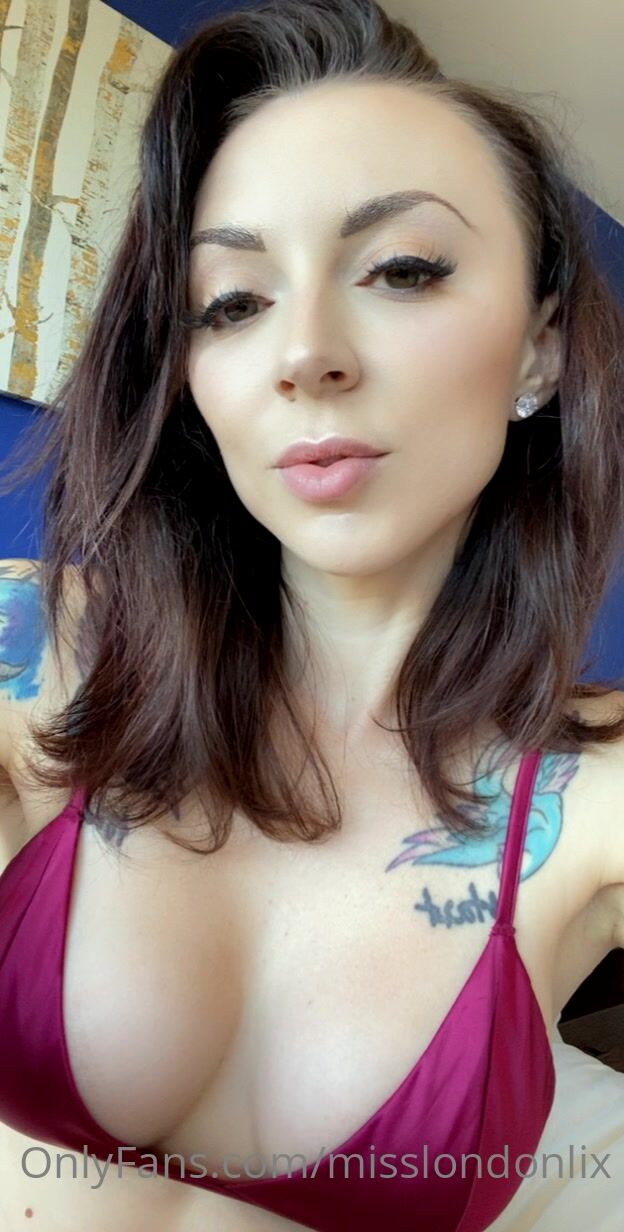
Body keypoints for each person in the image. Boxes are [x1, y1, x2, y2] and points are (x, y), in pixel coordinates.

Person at [0, 1, 623, 1229]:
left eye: (402, 269)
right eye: (232, 301)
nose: (304, 353)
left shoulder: (595, 788)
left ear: (541, 352)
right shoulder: (42, 652)